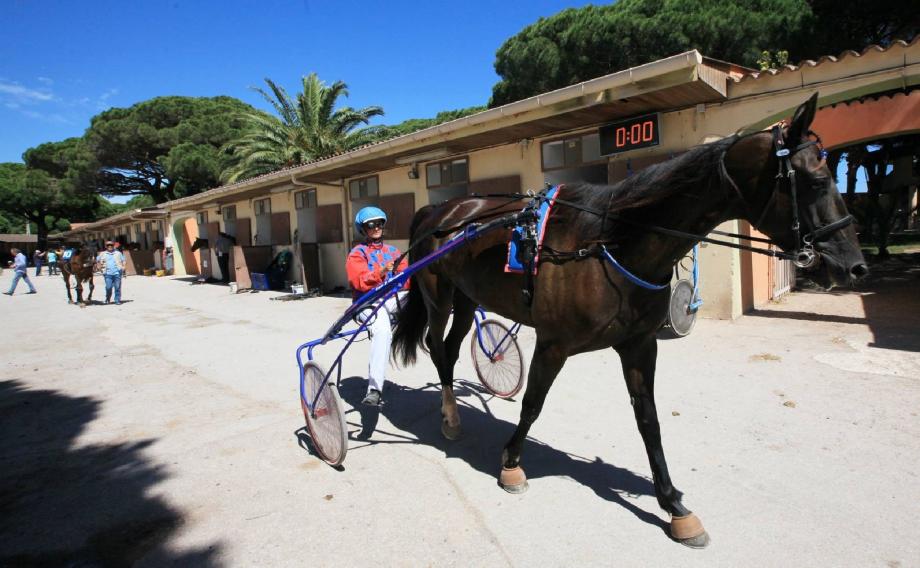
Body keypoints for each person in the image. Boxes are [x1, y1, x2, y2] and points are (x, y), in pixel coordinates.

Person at [345, 206, 409, 407]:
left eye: (379, 223)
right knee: (382, 330)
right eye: (370, 225)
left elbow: (407, 279)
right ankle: (374, 388)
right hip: (367, 302)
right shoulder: (357, 254)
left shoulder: (393, 251)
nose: (376, 228)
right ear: (363, 229)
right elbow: (359, 282)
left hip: (391, 299)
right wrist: (381, 272)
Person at [96, 241, 126, 305]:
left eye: (111, 245)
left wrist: (123, 266)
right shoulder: (102, 254)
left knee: (117, 287)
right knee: (108, 287)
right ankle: (108, 298)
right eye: (108, 245)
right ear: (106, 246)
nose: (110, 246)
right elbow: (97, 260)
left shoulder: (118, 253)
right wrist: (98, 266)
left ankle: (117, 300)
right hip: (107, 273)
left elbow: (123, 260)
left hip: (117, 273)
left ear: (113, 246)